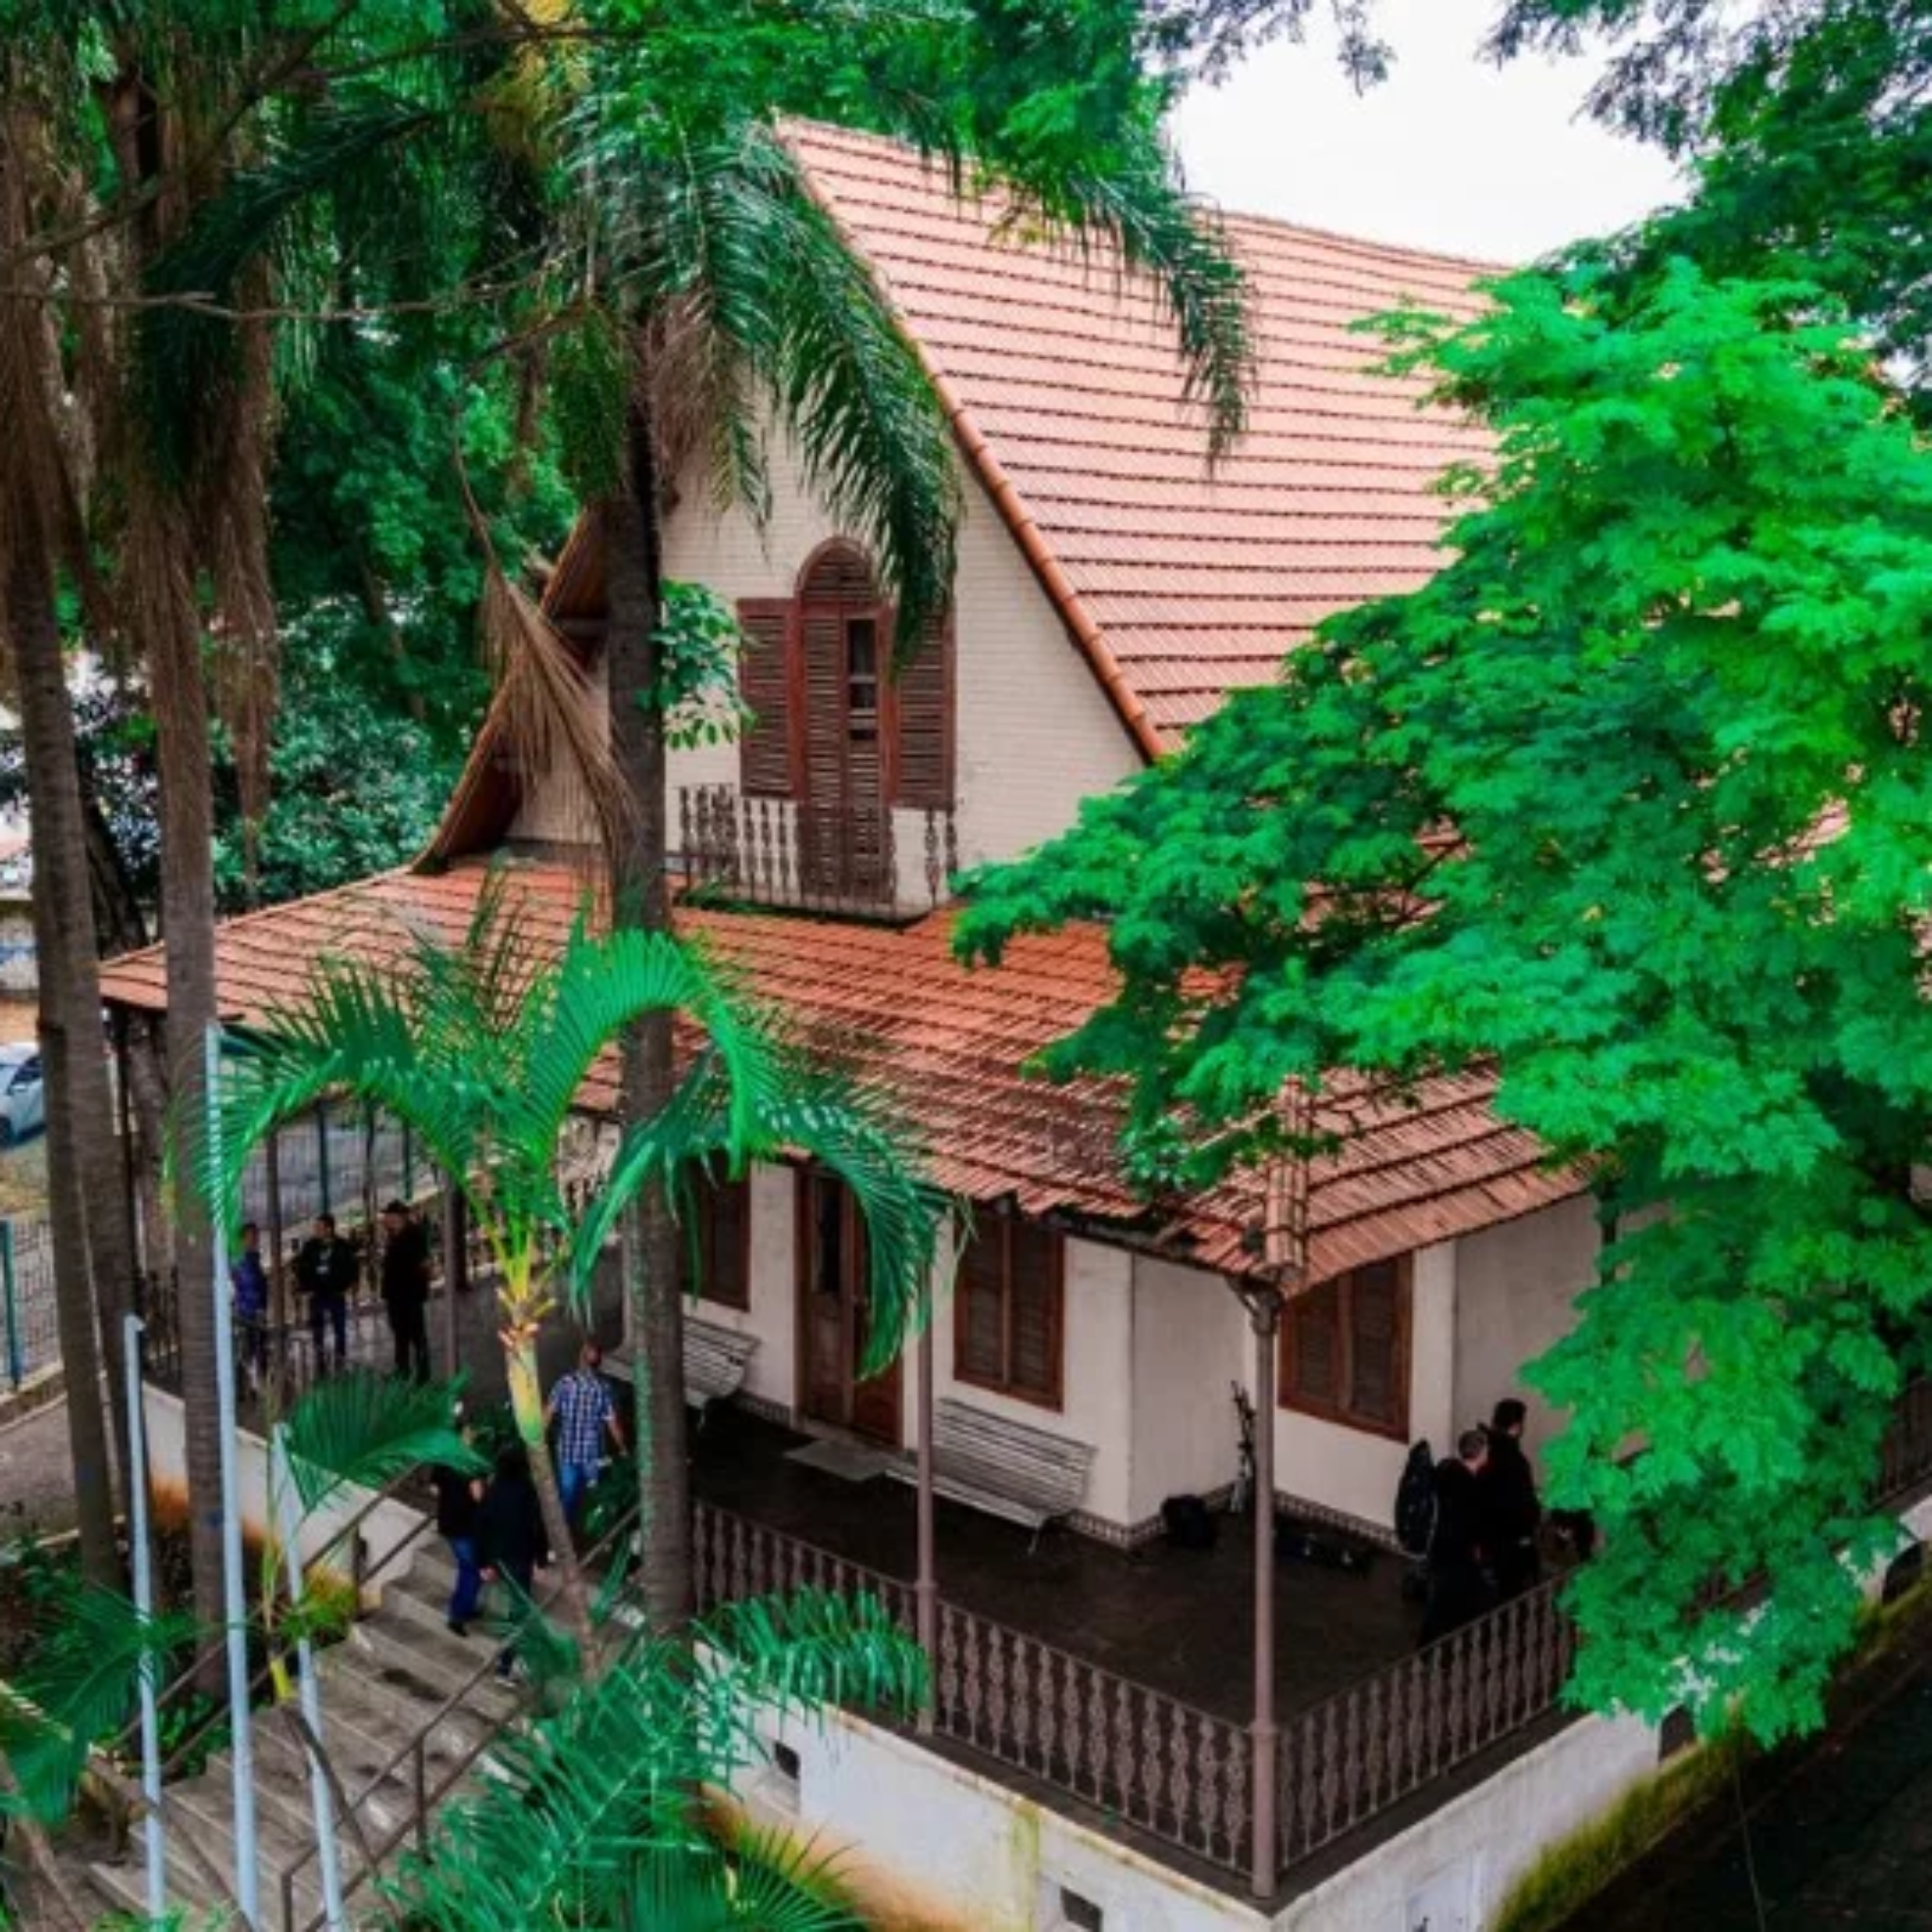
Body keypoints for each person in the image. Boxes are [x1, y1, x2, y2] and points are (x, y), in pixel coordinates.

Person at [477, 1443, 546, 1681]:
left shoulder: (494, 1489)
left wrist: (484, 1562)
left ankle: (507, 1662)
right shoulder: (527, 1491)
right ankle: (505, 1667)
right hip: (519, 1557)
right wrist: (541, 1559)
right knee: (519, 1613)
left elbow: (482, 1526)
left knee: (514, 1610)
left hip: (498, 1557)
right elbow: (536, 1527)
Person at [1419, 1428, 1493, 1648]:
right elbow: (1469, 1523)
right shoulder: (1468, 1486)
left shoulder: (1447, 1471)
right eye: (1486, 1449)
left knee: (1447, 1601)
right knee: (1447, 1602)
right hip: (1457, 1554)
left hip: (1443, 1550)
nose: (1488, 1453)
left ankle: (1435, 1646)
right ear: (1479, 1453)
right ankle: (1433, 1649)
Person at [545, 1340, 625, 1527]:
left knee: (567, 1495)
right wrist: (623, 1448)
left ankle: (564, 1532)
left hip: (567, 1452)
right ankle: (589, 1528)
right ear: (599, 1363)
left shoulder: (564, 1383)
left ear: (580, 1359)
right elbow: (613, 1425)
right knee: (592, 1495)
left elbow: (547, 1414)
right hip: (593, 1455)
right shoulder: (603, 1389)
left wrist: (537, 1442)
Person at [1480, 1397, 1543, 1600]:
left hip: (1486, 1533)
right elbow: (1521, 1505)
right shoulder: (1514, 1461)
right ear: (1516, 1427)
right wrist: (1527, 1530)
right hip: (1510, 1540)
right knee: (1511, 1592)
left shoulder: (1483, 1448)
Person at [432, 1408, 485, 1637]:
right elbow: (479, 1497)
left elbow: (434, 1488)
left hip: (448, 1522)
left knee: (467, 1569)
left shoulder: (445, 1458)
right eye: (470, 1432)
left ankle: (465, 1608)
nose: (473, 1435)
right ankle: (458, 1615)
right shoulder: (471, 1465)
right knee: (471, 1571)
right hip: (465, 1526)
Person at [293, 1212, 356, 1374]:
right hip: (317, 1295)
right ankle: (320, 1365)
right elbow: (302, 1268)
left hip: (336, 1293)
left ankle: (340, 1363)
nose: (316, 1230)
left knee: (340, 1330)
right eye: (316, 1227)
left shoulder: (342, 1245)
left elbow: (352, 1266)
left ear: (329, 1229)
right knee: (317, 1332)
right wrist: (305, 1288)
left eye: (319, 1227)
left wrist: (349, 1285)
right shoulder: (310, 1246)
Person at [380, 1198, 432, 1383]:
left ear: (398, 1216)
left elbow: (425, 1264)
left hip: (410, 1295)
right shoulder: (393, 1235)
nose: (385, 1219)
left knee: (417, 1336)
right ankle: (402, 1371)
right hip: (395, 1295)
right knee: (400, 1335)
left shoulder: (414, 1234)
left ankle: (423, 1375)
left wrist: (421, 1288)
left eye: (388, 1215)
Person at [230, 1220, 271, 1390]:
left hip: (250, 1310)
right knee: (250, 1348)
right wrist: (259, 1308)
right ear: (243, 1239)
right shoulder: (242, 1259)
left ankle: (252, 1384)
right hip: (249, 1311)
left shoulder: (251, 1257)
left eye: (256, 1236)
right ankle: (248, 1385)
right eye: (251, 1236)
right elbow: (250, 1284)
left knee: (255, 1347)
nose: (255, 1239)